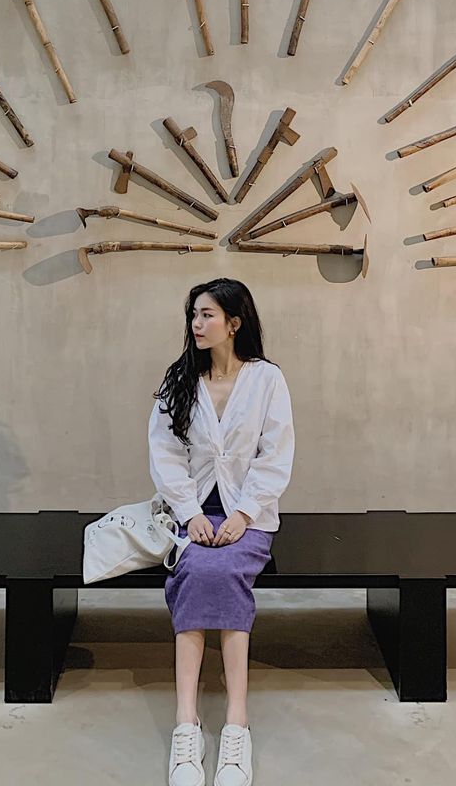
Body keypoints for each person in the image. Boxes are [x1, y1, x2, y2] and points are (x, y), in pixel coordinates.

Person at [149, 278, 294, 786]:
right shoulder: (180, 378)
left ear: (234, 323)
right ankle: (185, 725)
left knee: (226, 571)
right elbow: (165, 454)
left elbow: (276, 455)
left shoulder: (267, 380)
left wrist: (245, 514)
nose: (197, 323)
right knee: (194, 569)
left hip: (247, 515)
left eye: (207, 315)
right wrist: (190, 512)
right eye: (194, 314)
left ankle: (236, 724)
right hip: (190, 513)